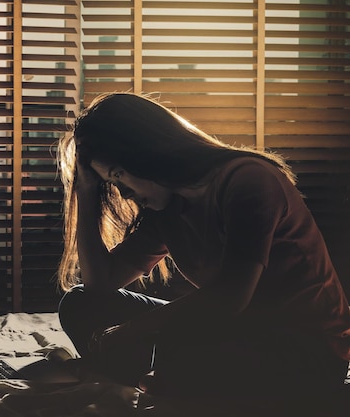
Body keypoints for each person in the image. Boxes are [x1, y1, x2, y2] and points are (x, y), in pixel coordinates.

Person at [56, 92, 350, 398]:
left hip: (306, 345)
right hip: (235, 329)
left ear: (143, 151)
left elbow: (230, 297)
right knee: (80, 303)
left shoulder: (249, 180)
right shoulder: (166, 206)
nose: (124, 194)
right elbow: (98, 284)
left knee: (181, 341)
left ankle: (164, 378)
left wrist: (134, 330)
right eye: (110, 183)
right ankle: (164, 379)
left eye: (119, 175)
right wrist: (86, 193)